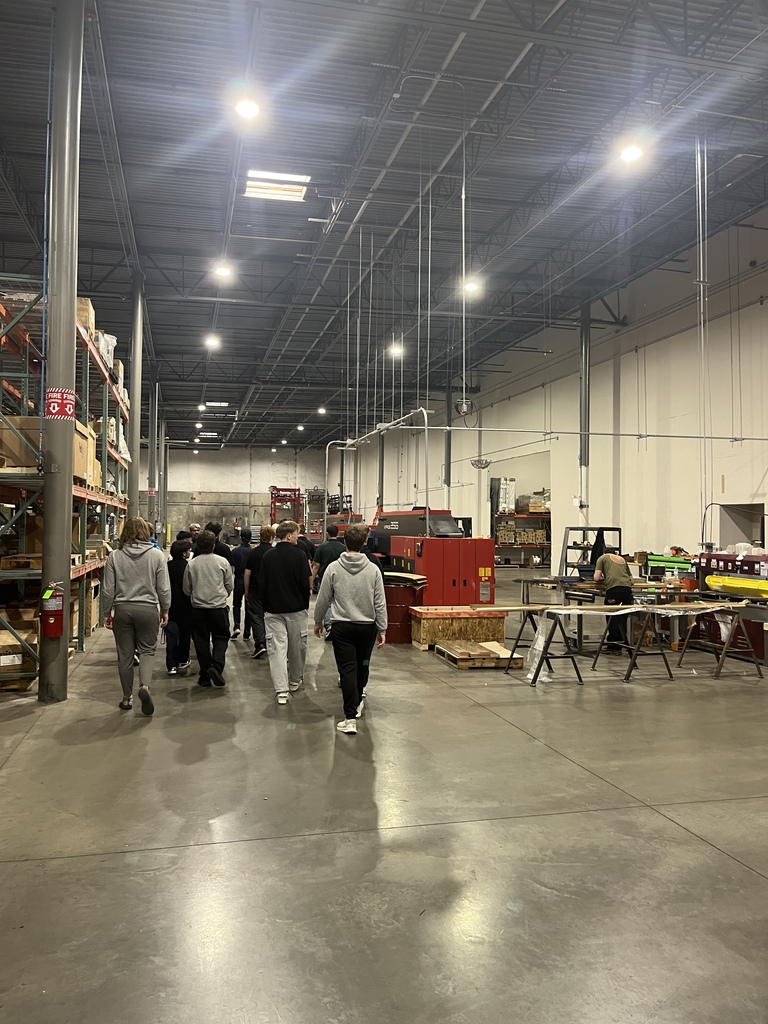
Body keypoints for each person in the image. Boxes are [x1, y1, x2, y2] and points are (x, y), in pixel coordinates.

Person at [314, 524, 387, 735]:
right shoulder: (373, 569)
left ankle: (350, 717)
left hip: (342, 627)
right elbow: (380, 602)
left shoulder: (333, 568)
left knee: (347, 669)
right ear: (365, 542)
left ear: (344, 542)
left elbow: (323, 599)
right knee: (363, 663)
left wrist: (318, 622)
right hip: (367, 628)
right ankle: (359, 697)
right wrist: (382, 628)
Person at [102, 515, 171, 715]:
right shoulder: (157, 555)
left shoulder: (115, 555)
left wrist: (107, 612)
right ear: (146, 532)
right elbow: (164, 588)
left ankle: (126, 698)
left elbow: (108, 589)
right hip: (148, 609)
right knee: (147, 651)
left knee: (125, 655)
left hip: (123, 610)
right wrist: (165, 609)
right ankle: (145, 687)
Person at [259, 519, 311, 705]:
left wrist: (265, 607)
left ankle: (281, 690)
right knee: (297, 647)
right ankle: (295, 680)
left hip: (273, 610)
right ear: (289, 535)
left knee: (276, 650)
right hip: (296, 609)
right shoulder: (300, 555)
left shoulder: (268, 556)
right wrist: (305, 605)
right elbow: (305, 584)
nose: (298, 536)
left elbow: (262, 585)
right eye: (297, 533)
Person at [183, 529, 233, 687]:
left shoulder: (192, 564)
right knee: (221, 637)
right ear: (213, 545)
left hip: (198, 609)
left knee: (201, 641)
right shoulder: (222, 562)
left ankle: (205, 673)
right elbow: (229, 585)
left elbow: (186, 588)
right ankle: (216, 666)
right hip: (218, 607)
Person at [594, 550, 634, 654]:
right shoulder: (622, 560)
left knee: (611, 616)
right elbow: (631, 580)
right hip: (627, 590)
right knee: (623, 616)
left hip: (614, 589)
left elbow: (596, 578)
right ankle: (622, 643)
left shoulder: (602, 558)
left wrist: (603, 579)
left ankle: (613, 646)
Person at [244, 525, 275, 659]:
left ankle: (260, 644)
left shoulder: (253, 553)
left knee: (256, 617)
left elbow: (247, 573)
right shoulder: (274, 553)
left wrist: (246, 591)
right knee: (271, 618)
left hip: (255, 589)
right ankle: (272, 643)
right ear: (272, 538)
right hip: (271, 590)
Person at [310, 524, 345, 638]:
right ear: (338, 533)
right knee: (339, 602)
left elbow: (316, 566)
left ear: (327, 534)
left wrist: (311, 582)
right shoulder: (343, 547)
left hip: (324, 578)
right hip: (340, 578)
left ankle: (329, 626)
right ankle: (337, 625)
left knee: (326, 602)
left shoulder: (322, 547)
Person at [165, 539, 193, 676]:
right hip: (186, 606)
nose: (189, 552)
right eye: (188, 550)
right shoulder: (188, 566)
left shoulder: (167, 566)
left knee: (171, 635)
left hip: (170, 605)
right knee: (184, 634)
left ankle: (171, 665)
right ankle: (183, 659)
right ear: (183, 553)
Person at [229, 528, 253, 639]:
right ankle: (247, 632)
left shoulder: (234, 552)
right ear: (250, 538)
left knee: (236, 605)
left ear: (241, 537)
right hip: (250, 581)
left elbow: (231, 568)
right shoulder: (253, 552)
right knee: (249, 606)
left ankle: (237, 626)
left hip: (238, 579)